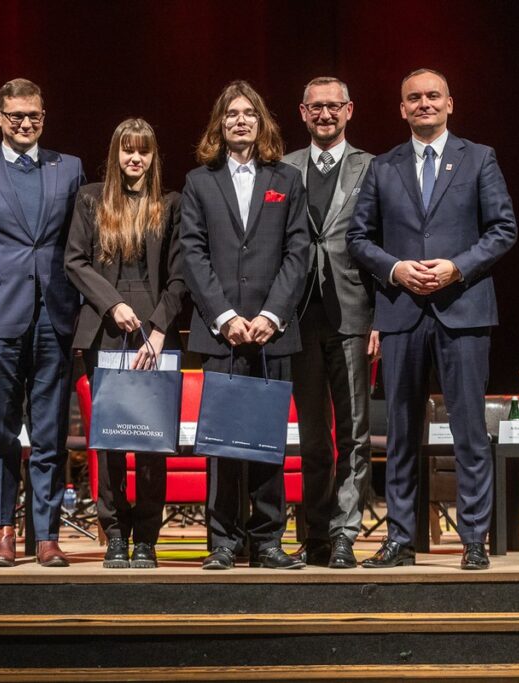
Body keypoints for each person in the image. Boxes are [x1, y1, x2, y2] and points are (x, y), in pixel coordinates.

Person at [347, 68, 517, 570]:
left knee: (467, 430)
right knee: (401, 432)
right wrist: (396, 269)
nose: (424, 103)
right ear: (401, 108)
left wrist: (456, 267)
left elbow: (504, 228)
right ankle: (400, 538)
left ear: (450, 103)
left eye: (432, 96)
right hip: (401, 313)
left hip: (461, 311)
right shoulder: (383, 167)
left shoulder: (479, 158)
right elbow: (359, 239)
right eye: (413, 98)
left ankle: (473, 540)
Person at [0, 78, 85, 567]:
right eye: (17, 116)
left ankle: (46, 534)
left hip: (55, 314)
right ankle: (2, 529)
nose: (26, 124)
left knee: (49, 431)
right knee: (1, 430)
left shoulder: (68, 169)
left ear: (44, 117)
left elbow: (81, 247)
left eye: (35, 116)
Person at [180, 81, 311, 570]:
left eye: (249, 114)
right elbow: (191, 254)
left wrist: (270, 316)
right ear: (220, 123)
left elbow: (299, 253)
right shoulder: (199, 181)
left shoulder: (286, 179)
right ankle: (223, 541)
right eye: (231, 113)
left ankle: (268, 539)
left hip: (271, 332)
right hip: (221, 334)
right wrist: (227, 317)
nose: (240, 121)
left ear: (262, 123)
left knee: (266, 440)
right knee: (223, 444)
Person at [64, 118, 187, 569]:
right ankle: (115, 534)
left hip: (158, 335)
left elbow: (180, 275)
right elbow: (74, 262)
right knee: (111, 441)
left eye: (144, 151)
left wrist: (156, 330)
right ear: (115, 153)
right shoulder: (91, 199)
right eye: (127, 150)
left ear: (154, 157)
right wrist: (113, 305)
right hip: (106, 332)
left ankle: (146, 539)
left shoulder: (171, 204)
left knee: (154, 444)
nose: (135, 158)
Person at [283, 77, 377, 569]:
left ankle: (345, 532)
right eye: (316, 107)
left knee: (355, 433)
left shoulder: (372, 168)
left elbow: (385, 241)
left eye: (334, 106)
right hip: (298, 319)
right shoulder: (283, 168)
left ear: (349, 110)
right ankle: (315, 533)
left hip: (353, 314)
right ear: (302, 112)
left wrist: (381, 318)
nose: (325, 114)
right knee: (314, 437)